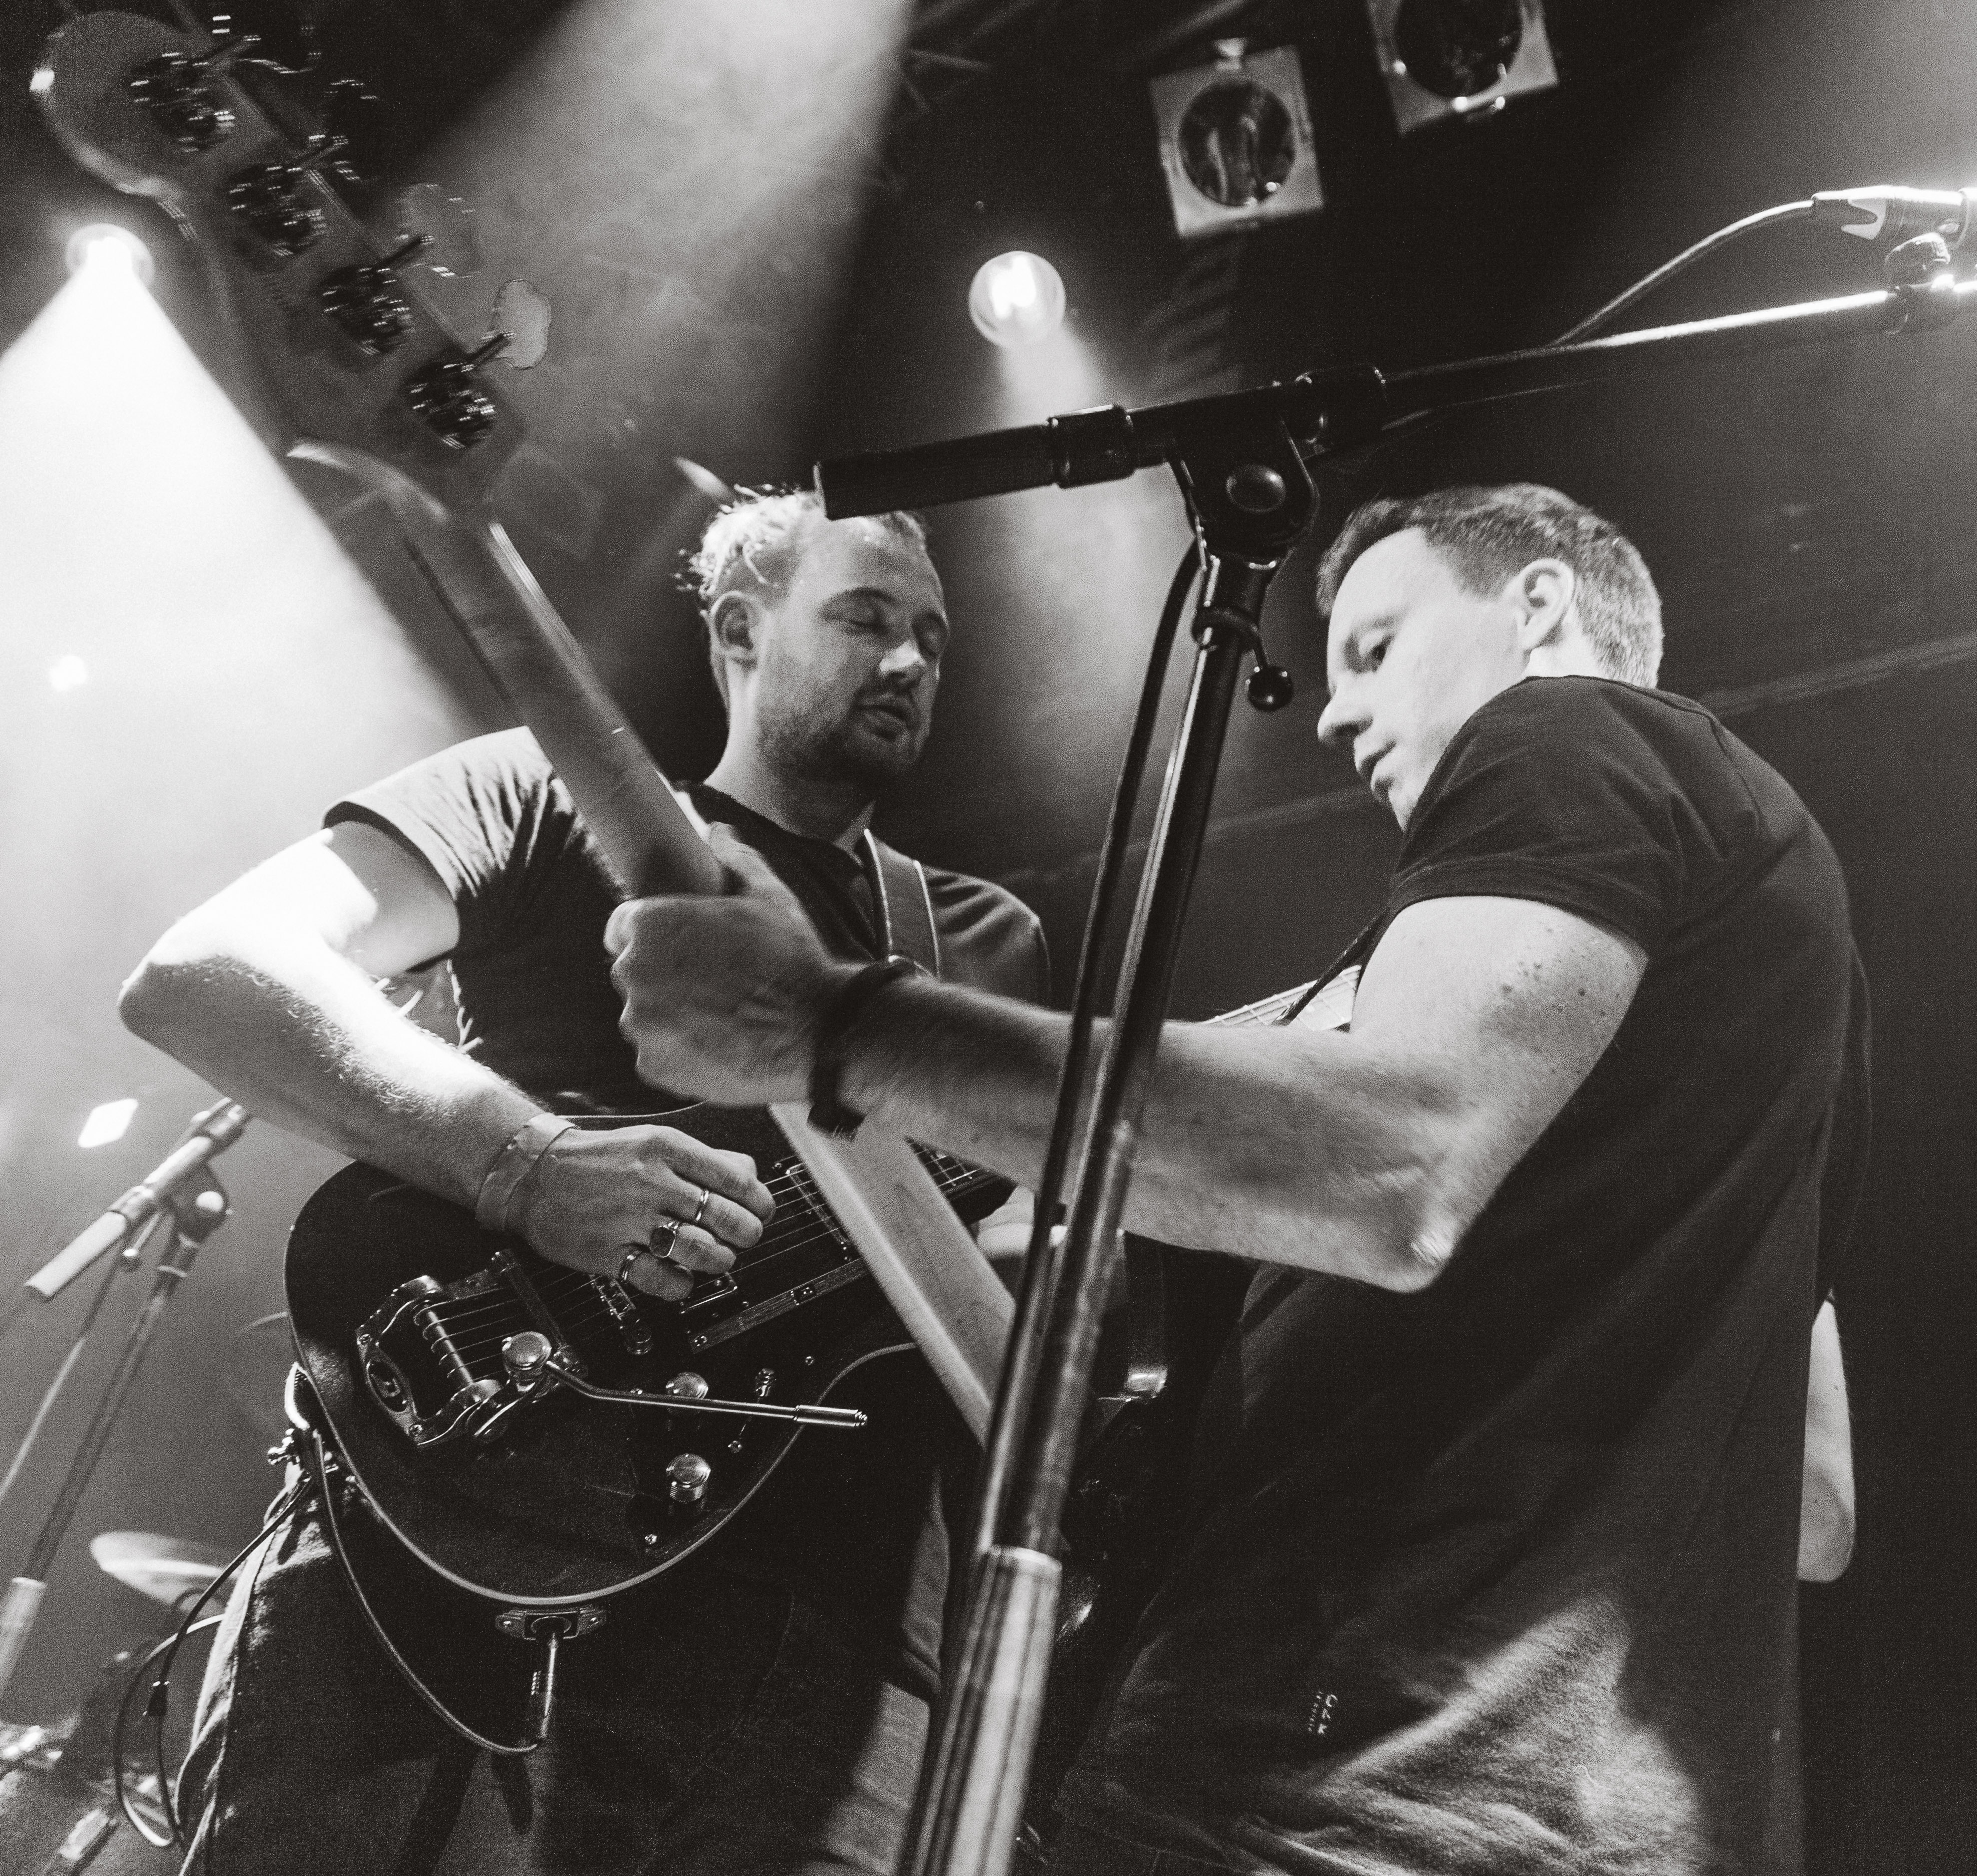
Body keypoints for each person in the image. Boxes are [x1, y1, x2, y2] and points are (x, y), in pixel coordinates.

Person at [607, 482, 1869, 1875]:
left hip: (1340, 1792)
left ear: (1541, 608)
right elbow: (1812, 1508)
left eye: (1378, 647)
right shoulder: (1745, 1018)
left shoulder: (1570, 728)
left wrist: (838, 1028)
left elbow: (1393, 1161)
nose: (1331, 716)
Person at [116, 489, 1047, 1874]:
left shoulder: (978, 941)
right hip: (442, 1545)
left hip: (814, 1642)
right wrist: (522, 1163)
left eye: (933, 635)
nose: (910, 660)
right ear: (740, 629)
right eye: (865, 617)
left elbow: (1020, 1296)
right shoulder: (536, 790)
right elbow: (209, 975)